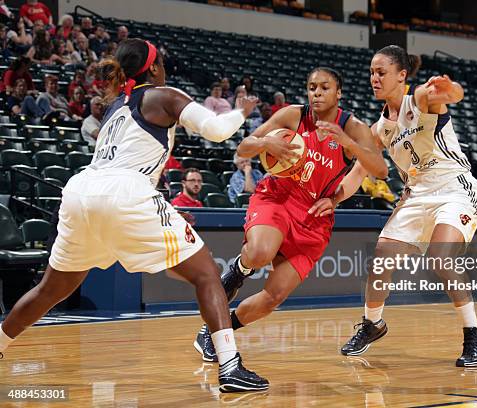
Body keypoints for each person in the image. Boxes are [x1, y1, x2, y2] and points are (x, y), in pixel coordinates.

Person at [0, 38, 268, 393]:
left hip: (81, 190)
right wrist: (243, 111)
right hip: (125, 190)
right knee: (207, 275)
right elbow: (217, 131)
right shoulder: (163, 94)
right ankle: (230, 367)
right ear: (154, 68)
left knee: (50, 289)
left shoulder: (116, 108)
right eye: (162, 64)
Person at [193, 67, 388, 362]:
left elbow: (380, 170)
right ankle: (239, 271)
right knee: (259, 252)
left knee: (274, 296)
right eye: (312, 87)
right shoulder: (293, 115)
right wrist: (264, 143)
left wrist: (346, 148)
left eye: (325, 87)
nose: (317, 93)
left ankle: (215, 333)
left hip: (314, 217)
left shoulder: (353, 127)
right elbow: (243, 149)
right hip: (279, 198)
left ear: (339, 93)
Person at [338, 45, 477, 367]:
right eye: (371, 73)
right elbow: (356, 175)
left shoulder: (419, 98)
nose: (374, 79)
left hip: (454, 187)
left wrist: (451, 89)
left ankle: (473, 333)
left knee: (441, 256)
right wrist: (330, 199)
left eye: (381, 72)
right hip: (417, 194)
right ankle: (372, 323)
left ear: (401, 75)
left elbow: (453, 95)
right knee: (381, 256)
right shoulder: (378, 130)